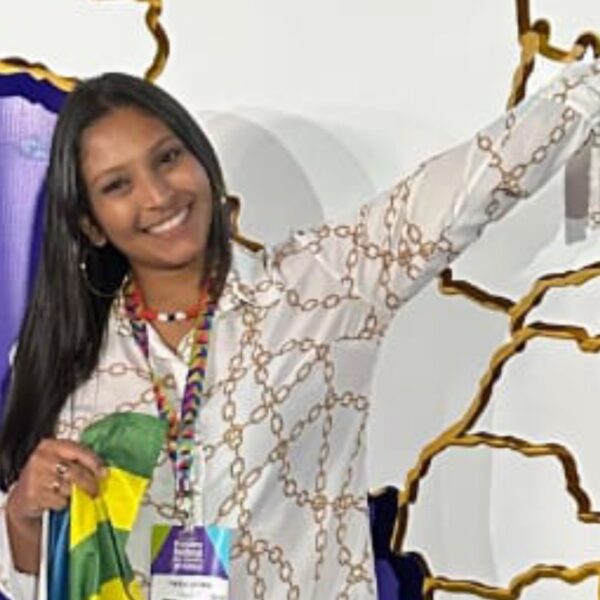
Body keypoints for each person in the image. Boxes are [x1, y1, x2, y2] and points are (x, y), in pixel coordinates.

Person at [0, 58, 599, 599]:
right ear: (91, 224)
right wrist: (23, 519)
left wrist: (584, 93)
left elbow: (467, 186)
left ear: (202, 161)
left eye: (167, 158)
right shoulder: (64, 356)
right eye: (117, 185)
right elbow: (47, 578)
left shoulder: (320, 286)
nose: (157, 195)